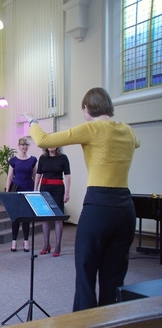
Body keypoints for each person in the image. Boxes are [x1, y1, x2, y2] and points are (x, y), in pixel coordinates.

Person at [25, 87, 140, 311]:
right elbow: (138, 143)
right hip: (126, 208)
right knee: (115, 276)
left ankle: (84, 326)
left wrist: (33, 121)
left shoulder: (91, 128)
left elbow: (44, 140)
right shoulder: (128, 131)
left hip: (99, 206)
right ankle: (111, 324)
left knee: (86, 273)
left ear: (87, 108)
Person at [34, 147, 71, 257]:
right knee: (45, 217)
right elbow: (38, 174)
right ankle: (46, 245)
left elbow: (68, 175)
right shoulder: (42, 158)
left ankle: (58, 246)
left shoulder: (63, 158)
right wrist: (35, 189)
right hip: (44, 188)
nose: (51, 146)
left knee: (58, 218)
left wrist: (67, 192)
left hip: (58, 189)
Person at [5, 137, 37, 252]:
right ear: (19, 146)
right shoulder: (13, 160)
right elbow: (9, 176)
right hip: (16, 189)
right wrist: (7, 192)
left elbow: (35, 176)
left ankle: (26, 242)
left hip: (28, 188)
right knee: (16, 217)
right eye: (22, 145)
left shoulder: (33, 159)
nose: (24, 147)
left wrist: (35, 190)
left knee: (26, 217)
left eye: (26, 145)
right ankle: (14, 241)